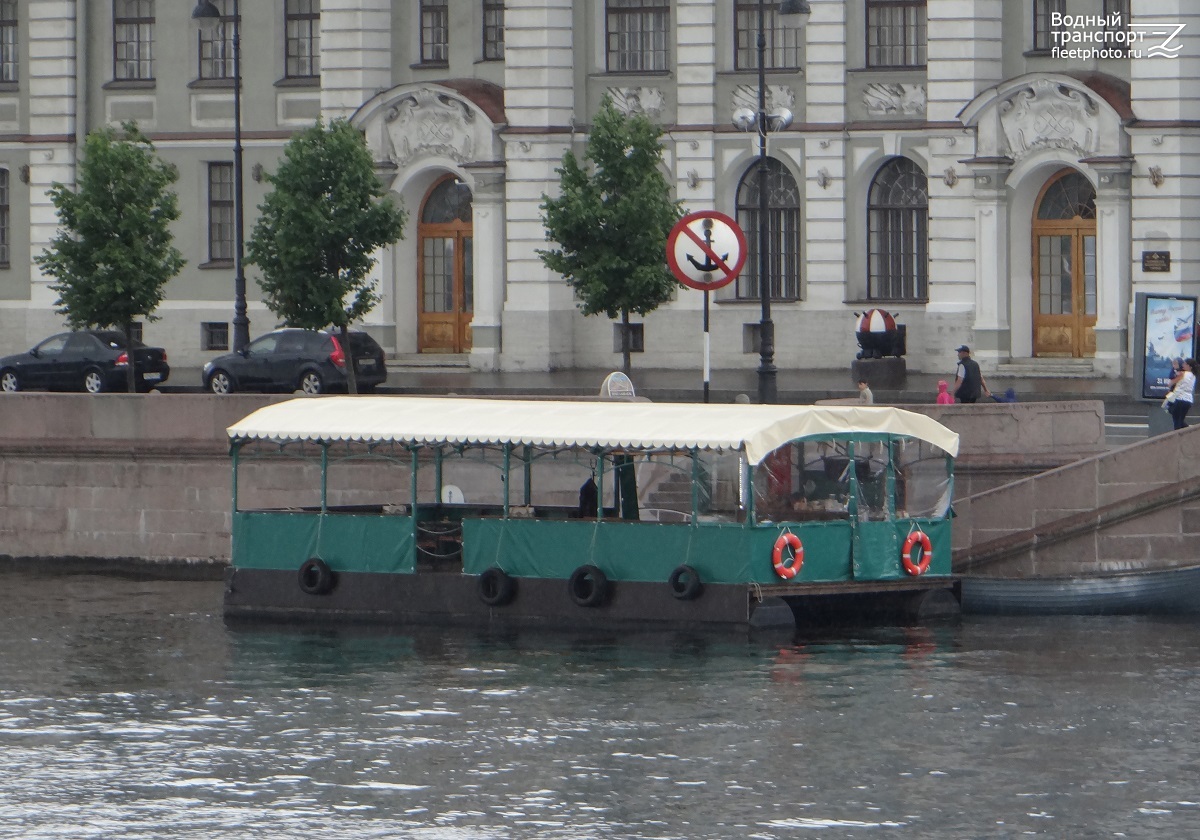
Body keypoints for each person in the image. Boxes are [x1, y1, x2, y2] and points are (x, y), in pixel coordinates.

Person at [1164, 357, 1195, 430]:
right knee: (1180, 420)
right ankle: (1190, 430)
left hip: (1180, 399)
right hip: (1188, 400)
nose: (1183, 365)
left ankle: (1179, 436)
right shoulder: (1193, 375)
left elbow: (1171, 383)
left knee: (1176, 421)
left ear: (1189, 366)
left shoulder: (1182, 374)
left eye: (1185, 364)